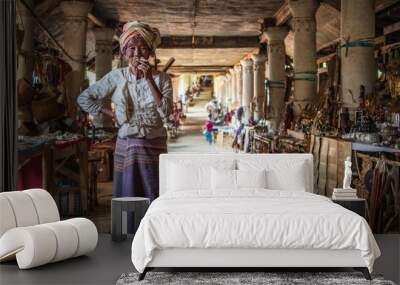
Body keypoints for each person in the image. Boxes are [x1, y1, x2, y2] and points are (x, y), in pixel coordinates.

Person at [77, 21, 172, 205]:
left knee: (154, 195)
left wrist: (149, 80)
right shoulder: (116, 77)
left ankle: (152, 232)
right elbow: (84, 98)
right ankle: (127, 234)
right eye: (132, 48)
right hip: (127, 146)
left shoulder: (162, 79)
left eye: (143, 48)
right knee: (128, 197)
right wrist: (110, 115)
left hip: (154, 147)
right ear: (124, 51)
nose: (137, 53)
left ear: (150, 52)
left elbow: (167, 112)